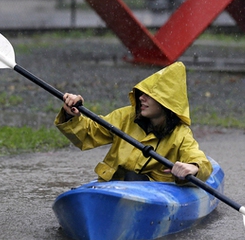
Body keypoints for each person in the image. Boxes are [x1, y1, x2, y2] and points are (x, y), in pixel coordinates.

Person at [55, 61, 212, 183]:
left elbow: (199, 160)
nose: (141, 98)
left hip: (149, 197)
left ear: (166, 103)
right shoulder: (125, 117)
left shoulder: (180, 134)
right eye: (141, 93)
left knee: (133, 177)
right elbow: (87, 134)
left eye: (149, 95)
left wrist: (194, 168)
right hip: (113, 188)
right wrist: (72, 115)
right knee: (130, 177)